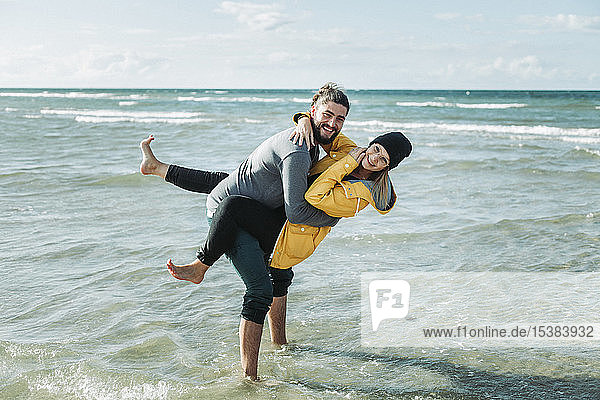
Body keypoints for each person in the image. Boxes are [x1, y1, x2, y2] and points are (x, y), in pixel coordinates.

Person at [139, 84, 413, 380]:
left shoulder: (359, 190)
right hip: (251, 216)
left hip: (285, 225)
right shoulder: (321, 148)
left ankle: (278, 344)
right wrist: (303, 120)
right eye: (374, 149)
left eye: (383, 159)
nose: (373, 157)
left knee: (245, 210)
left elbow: (309, 201)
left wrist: (340, 173)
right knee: (256, 272)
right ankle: (250, 377)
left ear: (388, 168)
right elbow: (331, 142)